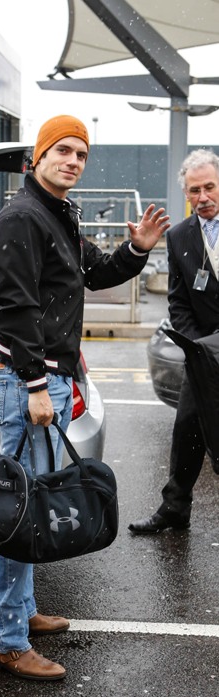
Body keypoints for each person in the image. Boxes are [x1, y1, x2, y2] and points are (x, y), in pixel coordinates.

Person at [0, 115, 170, 681]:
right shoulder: (21, 217)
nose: (72, 161)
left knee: (33, 500)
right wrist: (36, 385)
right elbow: (16, 309)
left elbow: (94, 272)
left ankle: (21, 610)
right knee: (20, 508)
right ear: (37, 157)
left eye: (81, 154)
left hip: (51, 378)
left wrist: (136, 250)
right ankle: (5, 638)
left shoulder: (56, 213)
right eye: (62, 151)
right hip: (30, 382)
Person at [129, 148, 219, 534]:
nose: (203, 197)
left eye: (210, 187)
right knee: (187, 430)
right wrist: (199, 346)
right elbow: (178, 301)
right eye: (195, 190)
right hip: (204, 354)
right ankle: (175, 508)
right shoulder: (179, 236)